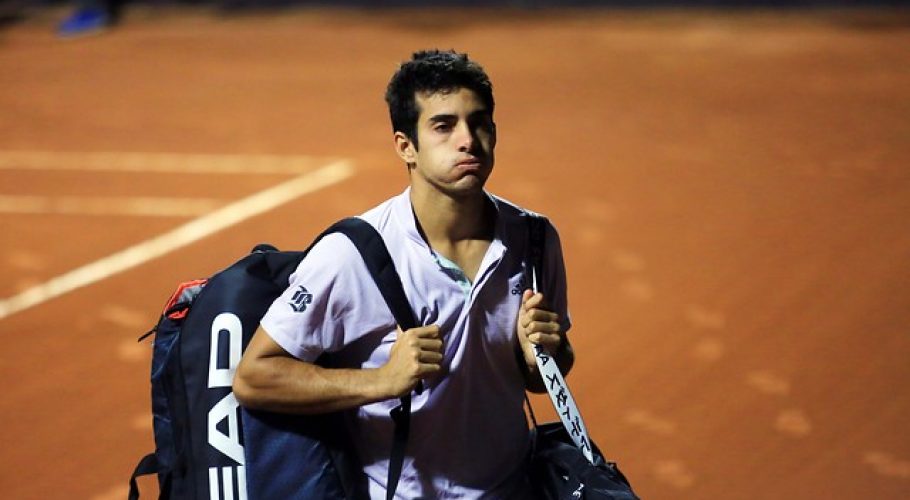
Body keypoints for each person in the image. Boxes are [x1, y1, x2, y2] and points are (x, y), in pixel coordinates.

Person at [234, 48, 575, 499]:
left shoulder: (534, 240)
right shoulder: (352, 255)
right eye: (443, 126)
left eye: (479, 123)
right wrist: (380, 381)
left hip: (511, 488)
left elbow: (542, 375)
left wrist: (546, 355)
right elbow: (254, 377)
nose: (467, 139)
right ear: (406, 147)